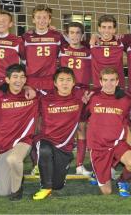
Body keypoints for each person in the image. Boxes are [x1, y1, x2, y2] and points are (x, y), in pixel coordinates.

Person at [33, 67, 86, 200]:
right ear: (55, 83)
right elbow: (28, 85)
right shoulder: (44, 99)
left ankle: (54, 178)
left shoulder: (80, 97)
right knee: (44, 150)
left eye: (68, 80)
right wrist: (28, 88)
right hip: (46, 139)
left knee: (58, 185)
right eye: (61, 80)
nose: (65, 83)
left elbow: (101, 90)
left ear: (74, 83)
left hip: (65, 147)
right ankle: (45, 187)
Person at [86, 67, 131, 197]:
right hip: (98, 147)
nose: (109, 84)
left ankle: (123, 181)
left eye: (112, 80)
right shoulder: (91, 98)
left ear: (117, 82)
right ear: (100, 82)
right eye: (105, 80)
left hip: (117, 144)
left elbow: (130, 125)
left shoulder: (126, 100)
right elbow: (82, 118)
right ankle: (100, 171)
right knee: (107, 192)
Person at [0, 64, 38, 201]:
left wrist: (29, 87)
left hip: (23, 141)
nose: (19, 80)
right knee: (2, 192)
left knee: (14, 159)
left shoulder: (32, 95)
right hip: (3, 144)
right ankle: (17, 175)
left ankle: (17, 191)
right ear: (7, 80)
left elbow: (52, 90)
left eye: (22, 77)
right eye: (15, 77)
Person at [59, 22, 92, 176]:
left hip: (83, 93)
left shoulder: (89, 51)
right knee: (64, 128)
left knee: (81, 128)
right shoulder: (61, 49)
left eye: (77, 32)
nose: (74, 36)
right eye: (71, 32)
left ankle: (79, 165)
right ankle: (62, 162)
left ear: (82, 35)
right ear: (67, 34)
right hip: (65, 93)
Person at [21, 4, 67, 91]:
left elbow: (72, 46)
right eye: (38, 17)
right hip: (31, 80)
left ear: (50, 20)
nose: (42, 20)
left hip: (50, 80)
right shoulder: (26, 36)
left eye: (45, 17)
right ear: (33, 20)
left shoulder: (57, 36)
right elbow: (22, 57)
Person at [0, 10, 24, 89]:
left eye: (4, 21)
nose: (1, 23)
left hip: (8, 83)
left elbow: (25, 62)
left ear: (10, 24)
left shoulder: (17, 41)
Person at [90, 15, 125, 89]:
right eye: (103, 27)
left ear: (114, 30)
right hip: (99, 87)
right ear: (99, 28)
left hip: (117, 87)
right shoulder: (92, 43)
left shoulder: (121, 41)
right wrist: (94, 35)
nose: (106, 30)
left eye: (110, 27)